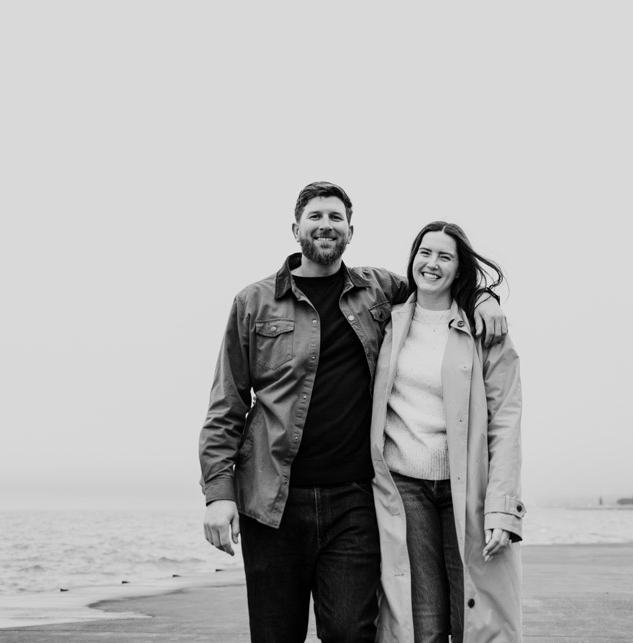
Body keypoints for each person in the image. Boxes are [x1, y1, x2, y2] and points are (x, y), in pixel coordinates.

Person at [198, 183, 508, 643]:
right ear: (295, 228)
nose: (326, 225)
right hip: (271, 503)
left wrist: (484, 298)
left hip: (355, 502)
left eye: (336, 217)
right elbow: (227, 403)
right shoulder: (253, 302)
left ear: (350, 230)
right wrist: (218, 494)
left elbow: (437, 286)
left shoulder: (379, 291)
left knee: (351, 633)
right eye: (316, 216)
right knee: (274, 634)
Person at [370, 221, 524, 643]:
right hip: (406, 487)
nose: (431, 264)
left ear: (460, 269)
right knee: (425, 623)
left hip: (466, 490)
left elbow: (506, 421)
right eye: (425, 252)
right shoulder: (387, 321)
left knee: (472, 619)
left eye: (444, 256)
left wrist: (503, 509)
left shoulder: (485, 329)